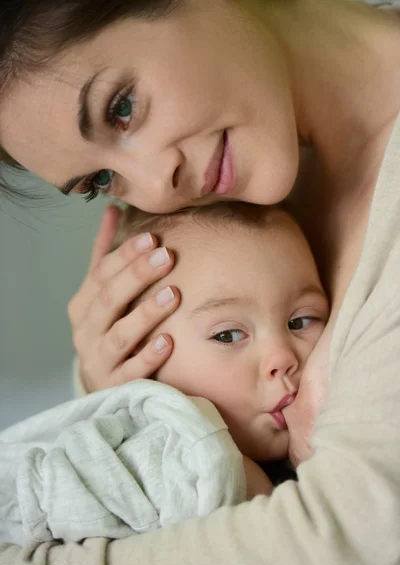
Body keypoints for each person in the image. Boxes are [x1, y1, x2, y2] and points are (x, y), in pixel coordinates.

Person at [1, 0, 400, 565]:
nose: (157, 184)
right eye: (100, 183)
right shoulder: (230, 208)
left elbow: (348, 549)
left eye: (122, 108)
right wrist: (128, 390)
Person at [0, 201, 326, 545]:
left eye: (300, 321)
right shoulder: (172, 471)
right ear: (141, 361)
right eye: (227, 335)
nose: (282, 356)